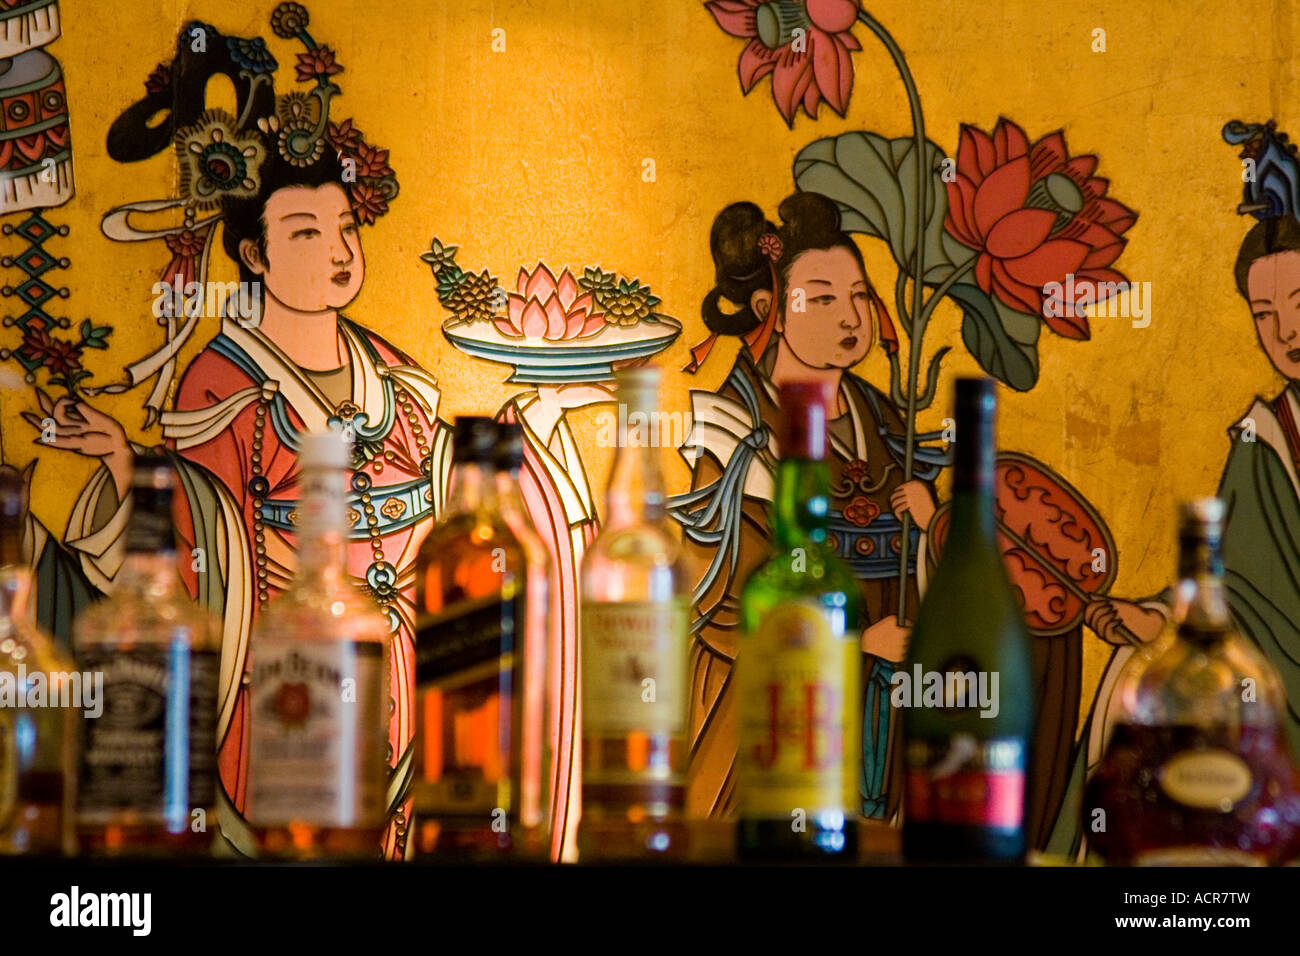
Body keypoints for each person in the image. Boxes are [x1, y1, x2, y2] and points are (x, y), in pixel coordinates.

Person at [25, 17, 450, 859]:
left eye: (344, 231)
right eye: (305, 233)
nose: (336, 253)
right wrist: (125, 464)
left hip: (401, 665)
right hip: (278, 672)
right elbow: (193, 537)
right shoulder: (217, 384)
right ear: (253, 254)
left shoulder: (401, 378)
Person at [671, 192, 941, 821]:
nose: (851, 317)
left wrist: (932, 526)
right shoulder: (733, 429)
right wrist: (853, 641)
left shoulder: (883, 420)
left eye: (858, 296)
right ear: (772, 309)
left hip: (882, 700)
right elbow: (718, 601)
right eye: (822, 298)